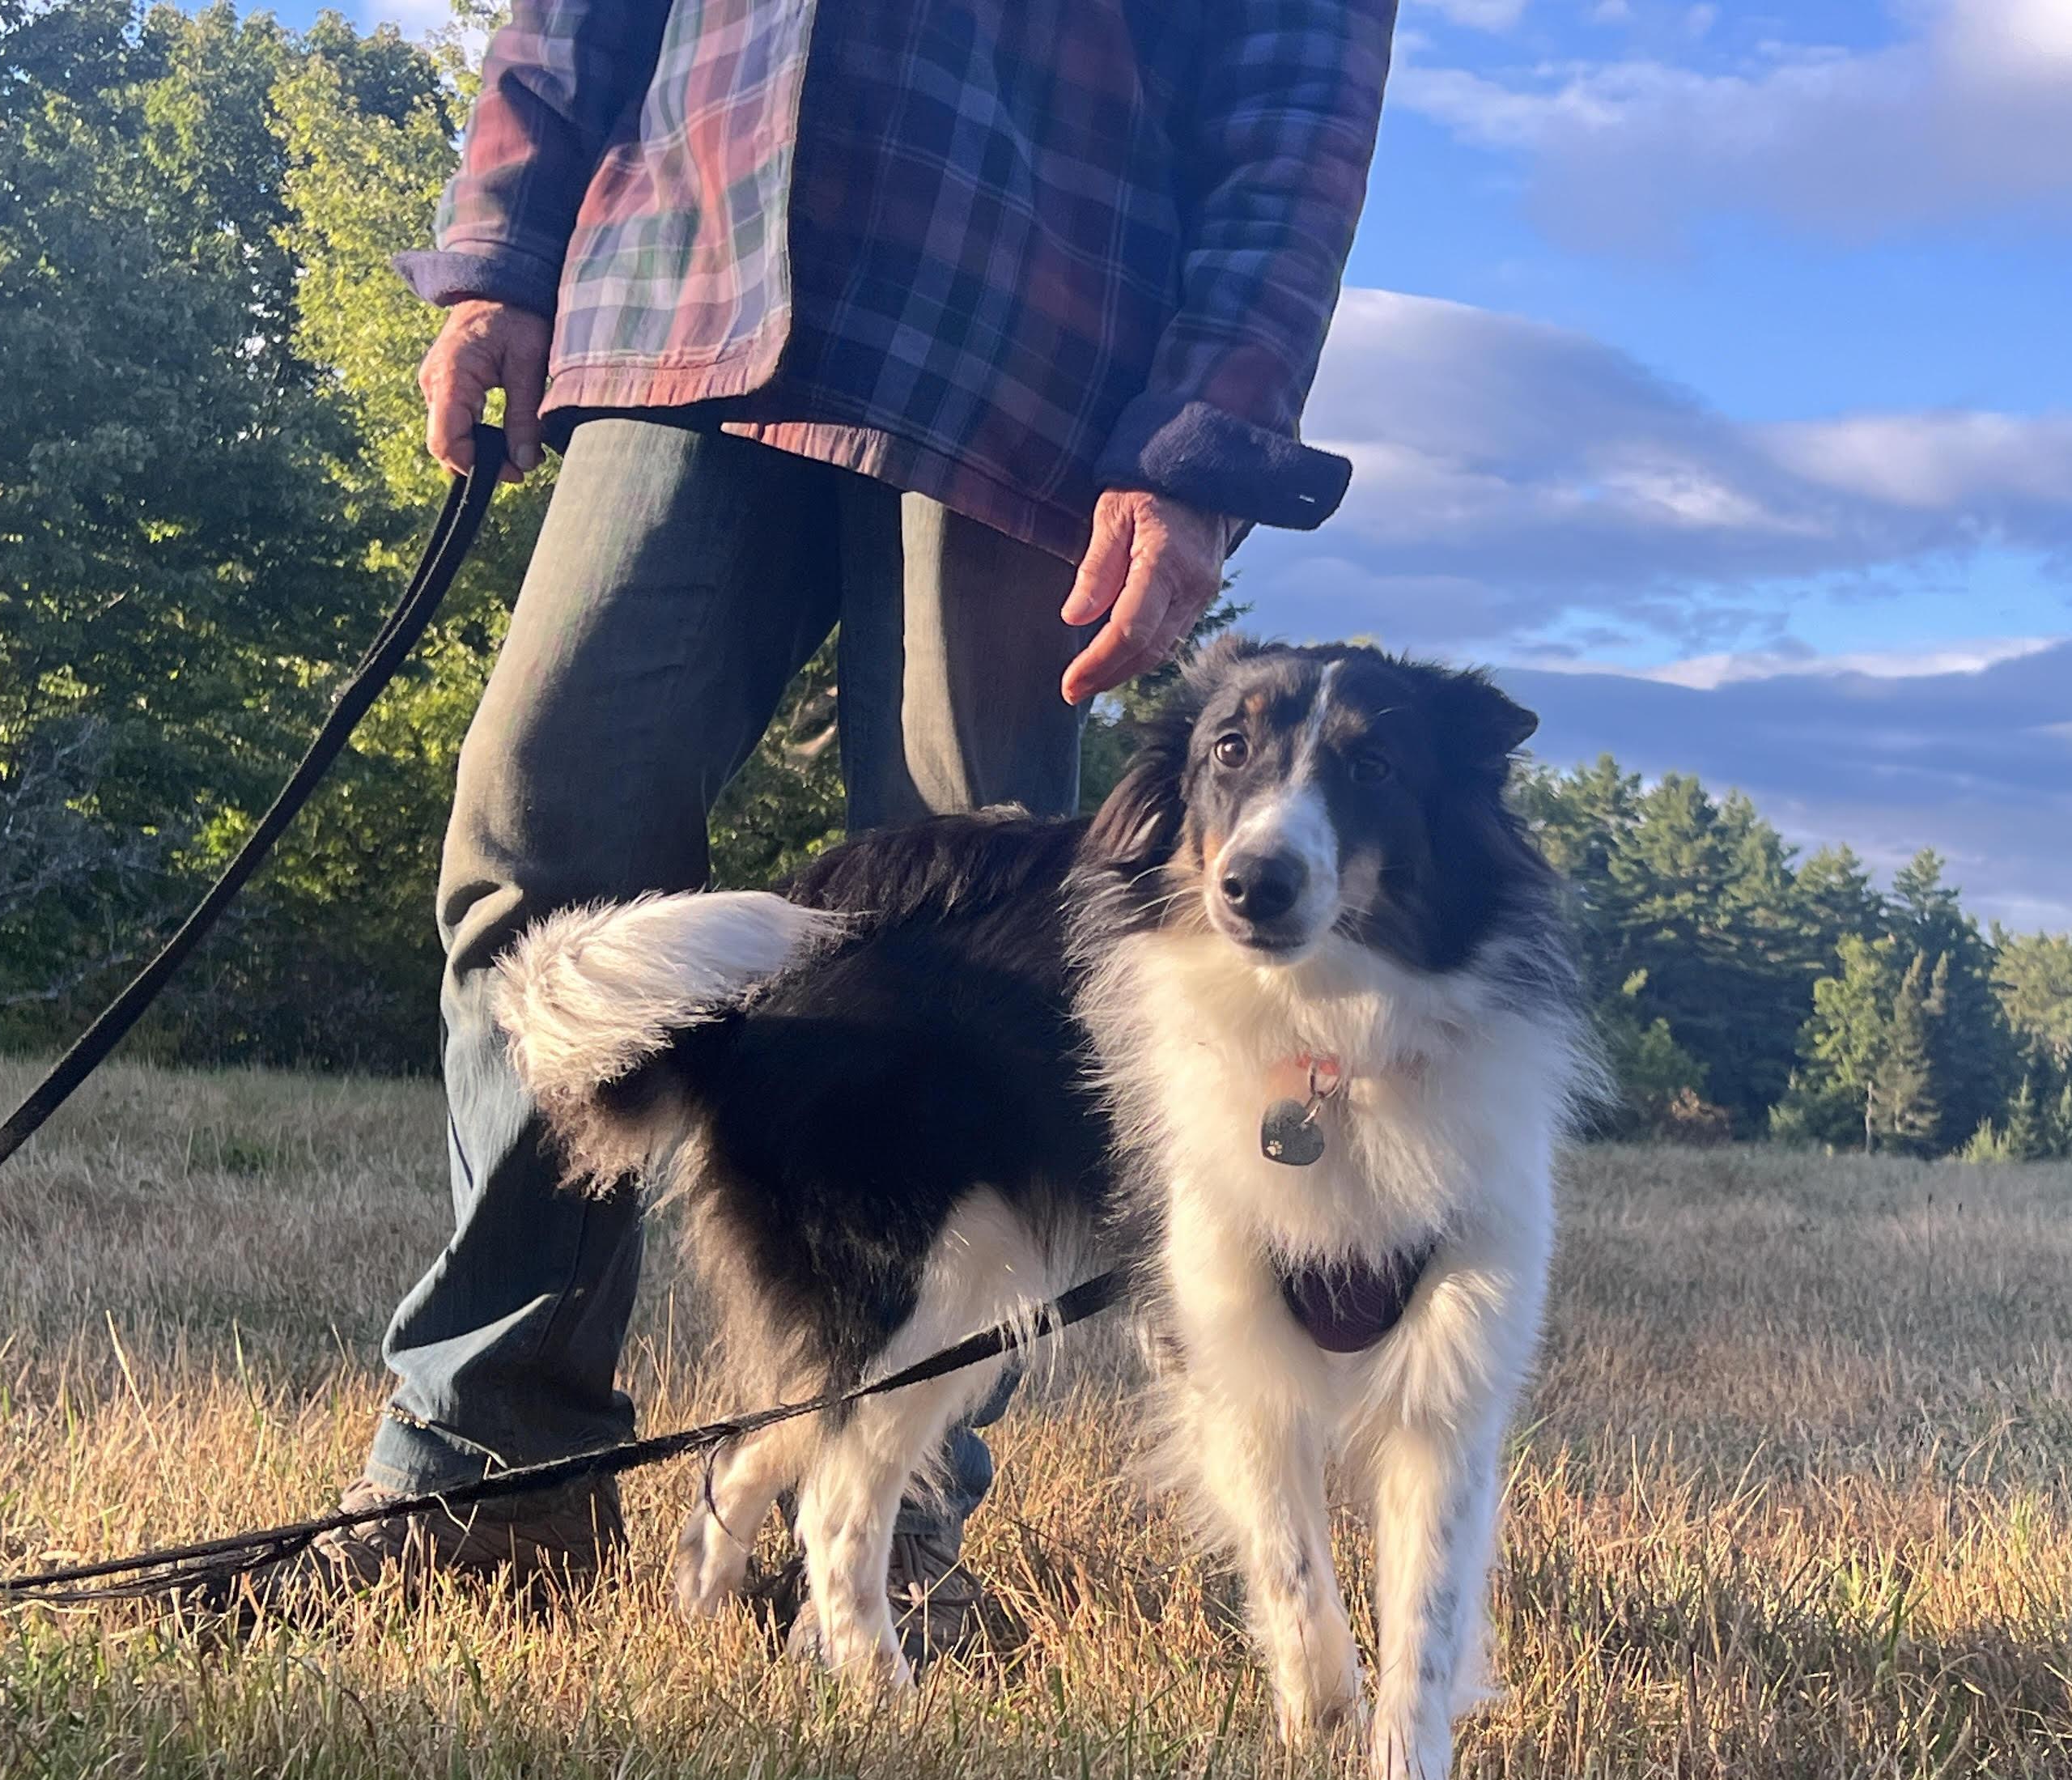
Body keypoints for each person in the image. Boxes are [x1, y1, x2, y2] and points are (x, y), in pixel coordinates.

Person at [298, 0, 1394, 1650]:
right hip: (686, 271)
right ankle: (489, 1479)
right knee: (539, 837)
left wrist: (1202, 442)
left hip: (1027, 339)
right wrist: (501, 252)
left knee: (1005, 953)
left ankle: (889, 1525)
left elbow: (1298, 85)